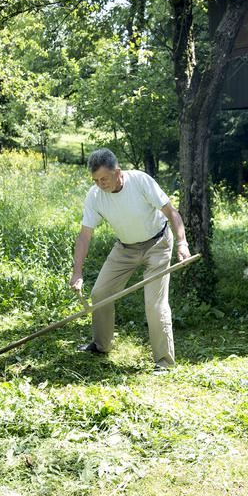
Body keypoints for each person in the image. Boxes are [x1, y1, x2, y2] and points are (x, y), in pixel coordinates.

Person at [69, 148, 191, 369]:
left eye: (104, 178)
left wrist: (182, 243)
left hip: (158, 244)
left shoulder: (140, 181)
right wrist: (77, 272)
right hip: (125, 247)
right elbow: (84, 236)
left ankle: (164, 361)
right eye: (95, 180)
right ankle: (101, 345)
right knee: (100, 293)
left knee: (155, 304)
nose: (100, 184)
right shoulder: (95, 195)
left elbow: (172, 212)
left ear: (118, 171)